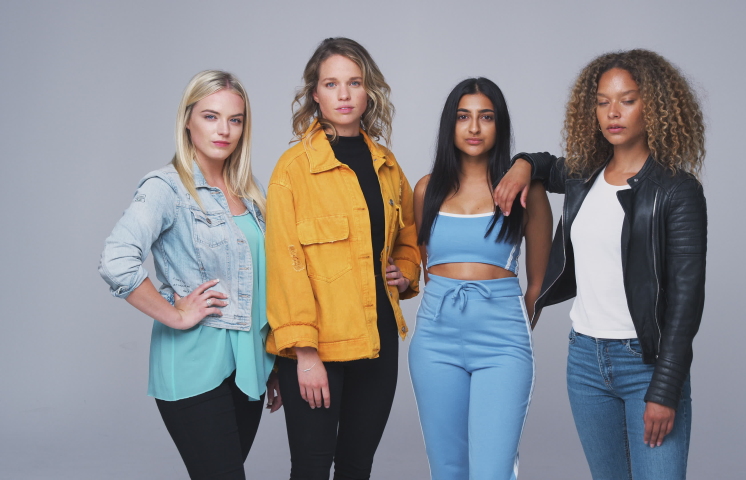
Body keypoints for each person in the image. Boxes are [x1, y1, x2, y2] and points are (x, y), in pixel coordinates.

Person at [494, 49, 707, 480]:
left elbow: (687, 300)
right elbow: (543, 164)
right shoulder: (583, 174)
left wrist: (665, 387)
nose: (613, 112)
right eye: (603, 102)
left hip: (646, 363)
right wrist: (521, 166)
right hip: (586, 362)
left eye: (627, 100)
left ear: (654, 106)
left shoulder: (676, 190)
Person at [98, 70, 277, 479]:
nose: (224, 130)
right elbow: (116, 260)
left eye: (235, 119)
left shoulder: (250, 193)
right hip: (194, 364)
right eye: (211, 116)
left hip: (249, 366)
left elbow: (264, 284)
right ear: (187, 121)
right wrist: (176, 314)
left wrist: (274, 360)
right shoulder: (167, 187)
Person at [264, 37, 420, 480]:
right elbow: (285, 267)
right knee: (311, 468)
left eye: (355, 82)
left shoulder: (387, 164)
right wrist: (305, 354)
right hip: (319, 350)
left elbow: (410, 234)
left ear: (369, 90)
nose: (344, 94)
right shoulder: (292, 170)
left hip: (379, 342)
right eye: (331, 84)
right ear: (315, 93)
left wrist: (406, 271)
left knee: (356, 466)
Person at [409, 78, 552, 480]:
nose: (474, 128)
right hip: (435, 341)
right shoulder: (426, 190)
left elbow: (538, 286)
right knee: (448, 469)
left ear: (499, 124)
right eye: (463, 117)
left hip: (502, 342)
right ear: (450, 125)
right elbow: (428, 266)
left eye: (486, 117)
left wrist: (506, 320)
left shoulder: (526, 191)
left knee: (492, 471)